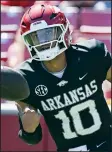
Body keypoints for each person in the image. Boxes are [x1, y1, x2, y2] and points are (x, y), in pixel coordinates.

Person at [14, 4, 111, 151]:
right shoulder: (25, 77)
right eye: (36, 37)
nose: (43, 42)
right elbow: (32, 139)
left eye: (47, 34)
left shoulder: (91, 55)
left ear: (63, 30)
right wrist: (28, 127)